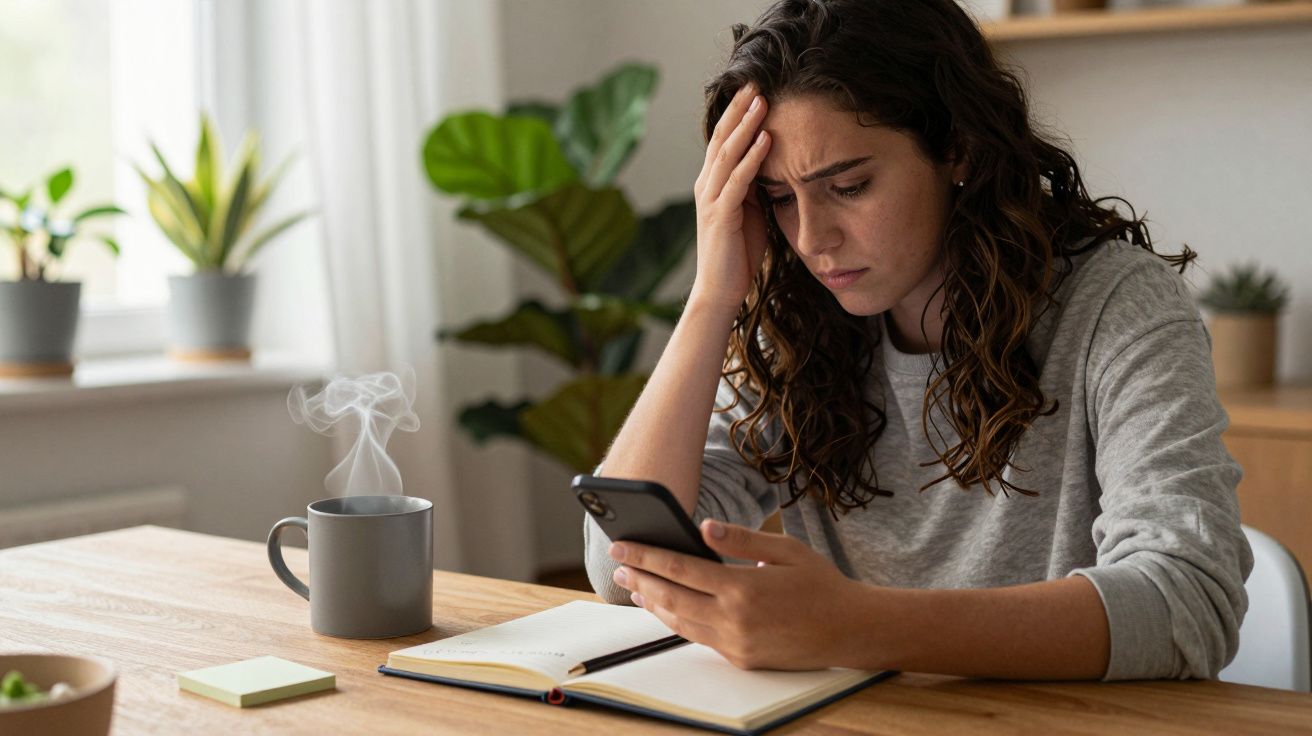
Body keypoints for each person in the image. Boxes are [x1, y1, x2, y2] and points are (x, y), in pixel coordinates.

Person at [582, 0, 1251, 681]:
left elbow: (1186, 602)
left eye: (847, 185)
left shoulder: (1116, 304)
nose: (812, 238)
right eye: (779, 198)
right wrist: (712, 298)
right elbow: (618, 564)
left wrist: (853, 625)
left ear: (957, 147)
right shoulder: (795, 322)